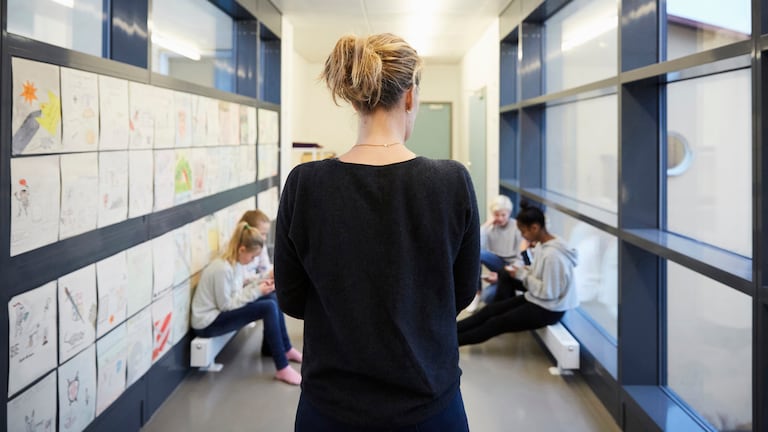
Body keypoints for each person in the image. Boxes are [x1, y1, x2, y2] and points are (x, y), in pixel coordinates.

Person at [274, 33, 479, 431]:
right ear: (409, 97)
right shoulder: (452, 182)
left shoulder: (306, 184)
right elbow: (462, 292)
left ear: (354, 100)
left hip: (329, 408)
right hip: (429, 404)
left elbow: (293, 298)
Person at [190, 221, 302, 385]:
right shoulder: (222, 269)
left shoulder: (234, 263)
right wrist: (257, 291)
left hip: (220, 313)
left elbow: (242, 287)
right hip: (208, 324)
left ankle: (286, 348)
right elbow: (226, 305)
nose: (252, 261)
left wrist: (262, 284)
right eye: (252, 257)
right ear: (242, 249)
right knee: (268, 307)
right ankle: (282, 367)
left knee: (272, 297)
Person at [457, 200, 578, 346]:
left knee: (495, 323)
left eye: (523, 231)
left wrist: (522, 274)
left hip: (548, 309)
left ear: (534, 227)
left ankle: (447, 344)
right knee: (491, 310)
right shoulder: (544, 245)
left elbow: (548, 293)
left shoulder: (553, 256)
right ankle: (449, 332)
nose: (523, 236)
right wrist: (523, 272)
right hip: (536, 298)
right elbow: (539, 274)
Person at [468, 195, 524, 310]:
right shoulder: (490, 228)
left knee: (487, 297)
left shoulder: (517, 228)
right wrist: (487, 224)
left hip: (511, 269)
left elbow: (521, 260)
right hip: (497, 264)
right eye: (496, 215)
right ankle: (477, 292)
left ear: (509, 212)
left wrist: (501, 276)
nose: (500, 218)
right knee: (478, 253)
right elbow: (474, 244)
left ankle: (507, 287)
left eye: (503, 215)